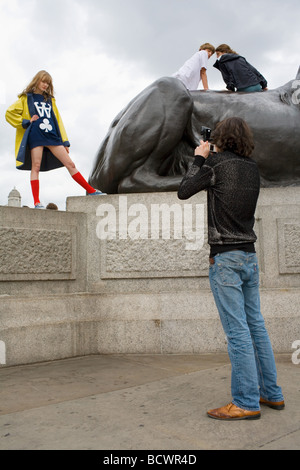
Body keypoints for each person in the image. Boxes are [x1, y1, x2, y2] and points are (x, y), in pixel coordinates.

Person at [178, 117, 284, 420]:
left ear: (220, 138)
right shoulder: (252, 168)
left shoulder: (215, 165)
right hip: (249, 256)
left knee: (237, 332)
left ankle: (246, 402)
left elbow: (184, 190)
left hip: (225, 258)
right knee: (256, 327)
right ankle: (271, 394)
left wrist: (199, 159)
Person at [5, 70, 105, 209]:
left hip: (52, 135)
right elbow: (9, 113)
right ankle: (36, 202)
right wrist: (26, 121)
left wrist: (64, 141)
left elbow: (57, 120)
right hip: (36, 135)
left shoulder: (50, 100)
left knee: (70, 164)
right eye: (43, 81)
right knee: (36, 166)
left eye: (48, 83)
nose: (45, 85)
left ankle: (91, 190)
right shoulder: (26, 98)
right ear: (37, 81)